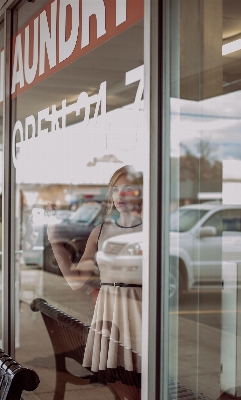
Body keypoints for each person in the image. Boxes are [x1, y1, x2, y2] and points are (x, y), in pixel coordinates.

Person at [47, 165, 143, 400]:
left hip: (142, 314)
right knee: (125, 390)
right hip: (110, 318)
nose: (120, 195)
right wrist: (55, 241)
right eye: (116, 189)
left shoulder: (154, 229)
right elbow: (75, 280)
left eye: (128, 189)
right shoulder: (100, 231)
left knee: (143, 386)